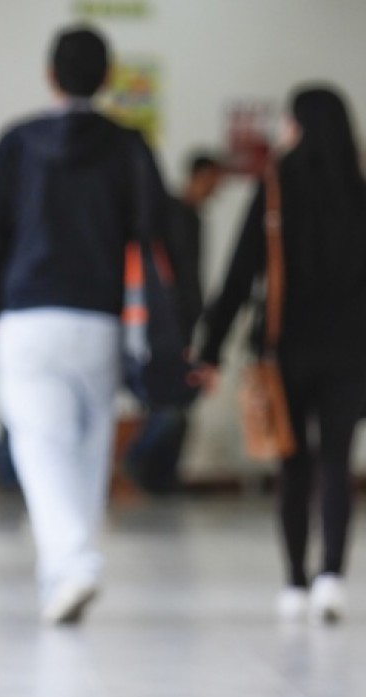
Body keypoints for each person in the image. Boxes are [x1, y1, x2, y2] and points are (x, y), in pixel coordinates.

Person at [0, 23, 169, 624]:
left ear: (50, 75)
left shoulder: (15, 145)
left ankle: (75, 564)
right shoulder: (130, 147)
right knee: (85, 449)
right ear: (107, 78)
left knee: (41, 448)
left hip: (28, 316)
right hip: (102, 321)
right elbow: (156, 232)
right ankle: (61, 575)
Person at [196, 84, 366, 623]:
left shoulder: (274, 191)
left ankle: (295, 581)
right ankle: (332, 580)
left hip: (286, 348)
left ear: (297, 128)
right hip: (353, 349)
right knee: (338, 463)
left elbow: (237, 276)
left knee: (293, 464)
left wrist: (210, 350)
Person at [123, 153, 223, 496]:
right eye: (213, 180)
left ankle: (163, 476)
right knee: (171, 401)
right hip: (165, 323)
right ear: (199, 175)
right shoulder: (170, 215)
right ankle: (139, 460)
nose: (217, 188)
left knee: (180, 400)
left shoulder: (193, 218)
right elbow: (166, 277)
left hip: (186, 320)